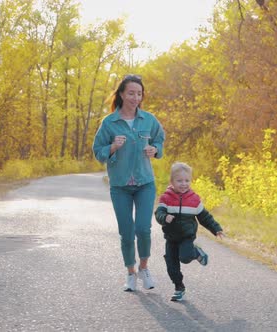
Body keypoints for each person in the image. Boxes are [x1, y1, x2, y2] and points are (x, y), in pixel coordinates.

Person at [92, 74, 165, 292]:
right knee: (126, 231)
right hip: (120, 186)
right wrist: (113, 147)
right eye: (131, 93)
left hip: (145, 183)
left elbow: (159, 140)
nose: (135, 97)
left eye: (139, 94)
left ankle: (144, 268)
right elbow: (98, 152)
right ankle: (131, 273)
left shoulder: (149, 120)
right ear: (122, 94)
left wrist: (155, 149)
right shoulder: (109, 123)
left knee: (143, 229)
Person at [154, 162, 224, 301]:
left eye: (187, 180)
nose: (183, 184)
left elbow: (204, 217)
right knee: (171, 265)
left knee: (185, 258)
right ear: (172, 181)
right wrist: (164, 217)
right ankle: (179, 288)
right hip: (171, 238)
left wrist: (216, 229)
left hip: (187, 236)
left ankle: (196, 252)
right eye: (179, 180)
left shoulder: (194, 200)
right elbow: (158, 213)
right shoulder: (166, 198)